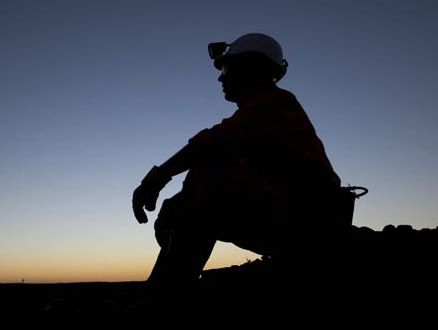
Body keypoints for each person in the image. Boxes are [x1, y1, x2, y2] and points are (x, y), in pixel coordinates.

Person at [130, 33, 343, 309]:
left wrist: (157, 178)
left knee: (204, 176)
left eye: (227, 68)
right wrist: (176, 209)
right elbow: (222, 151)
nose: (220, 78)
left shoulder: (274, 103)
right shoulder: (259, 117)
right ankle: (157, 289)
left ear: (253, 68)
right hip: (295, 217)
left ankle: (169, 297)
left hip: (312, 224)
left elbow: (211, 143)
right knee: (184, 199)